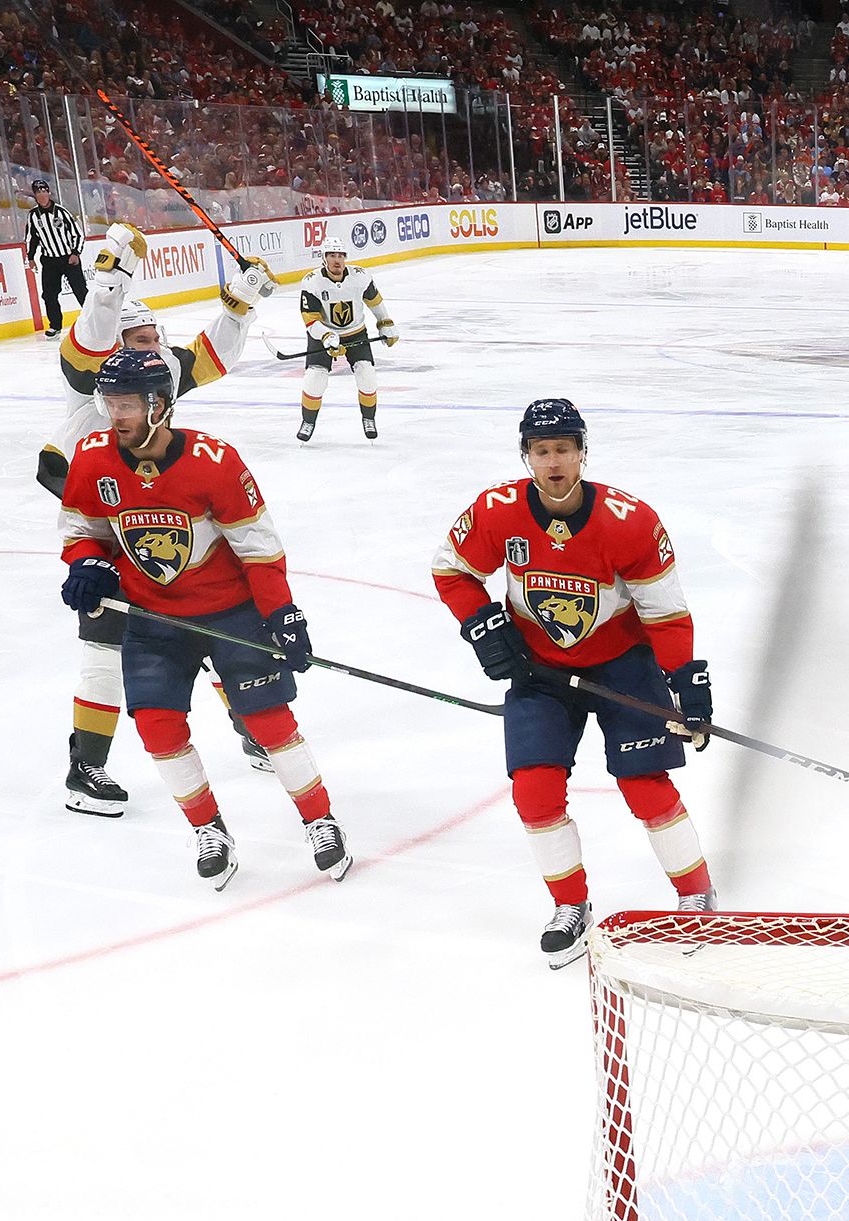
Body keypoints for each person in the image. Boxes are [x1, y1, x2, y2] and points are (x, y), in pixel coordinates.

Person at [432, 398, 717, 967]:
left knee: (645, 784)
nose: (553, 461)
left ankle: (697, 897)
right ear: (526, 457)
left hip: (622, 663)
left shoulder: (629, 521)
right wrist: (481, 621)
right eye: (542, 451)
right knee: (534, 790)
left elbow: (664, 611)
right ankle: (571, 906)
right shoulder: (496, 510)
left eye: (564, 448)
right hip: (541, 671)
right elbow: (451, 569)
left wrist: (686, 681)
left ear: (583, 453)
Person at [56, 350, 347, 891]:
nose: (114, 415)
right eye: (109, 403)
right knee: (158, 730)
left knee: (269, 723)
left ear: (159, 404)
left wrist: (281, 613)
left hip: (231, 613)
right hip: (153, 619)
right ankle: (208, 829)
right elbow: (81, 532)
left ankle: (319, 820)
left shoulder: (215, 462)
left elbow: (258, 547)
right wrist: (88, 564)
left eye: (125, 404)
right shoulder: (94, 458)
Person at [35, 222, 273, 816]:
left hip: (160, 527)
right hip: (106, 531)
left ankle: (250, 728)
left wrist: (240, 305)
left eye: (152, 336)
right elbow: (88, 334)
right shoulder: (92, 376)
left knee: (212, 628)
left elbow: (208, 357)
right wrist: (112, 274)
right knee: (104, 652)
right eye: (138, 339)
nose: (152, 348)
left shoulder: (153, 377)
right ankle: (85, 768)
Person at [296, 247, 396, 442]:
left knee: (366, 374)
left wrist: (385, 323)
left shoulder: (360, 277)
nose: (337, 261)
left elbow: (375, 301)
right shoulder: (311, 282)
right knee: (315, 379)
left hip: (355, 333)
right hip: (322, 334)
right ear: (324, 259)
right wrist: (327, 337)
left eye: (341, 256)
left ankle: (369, 419)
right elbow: (310, 320)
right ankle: (308, 422)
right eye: (332, 256)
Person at [24, 180, 85, 335]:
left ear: (49, 193)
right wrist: (31, 258)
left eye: (44, 191)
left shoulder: (62, 212)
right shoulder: (32, 216)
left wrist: (75, 253)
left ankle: (92, 319)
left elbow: (77, 233)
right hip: (49, 260)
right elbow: (32, 238)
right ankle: (55, 325)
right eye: (38, 192)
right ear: (35, 196)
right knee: (49, 294)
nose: (42, 195)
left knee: (80, 290)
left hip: (68, 258)